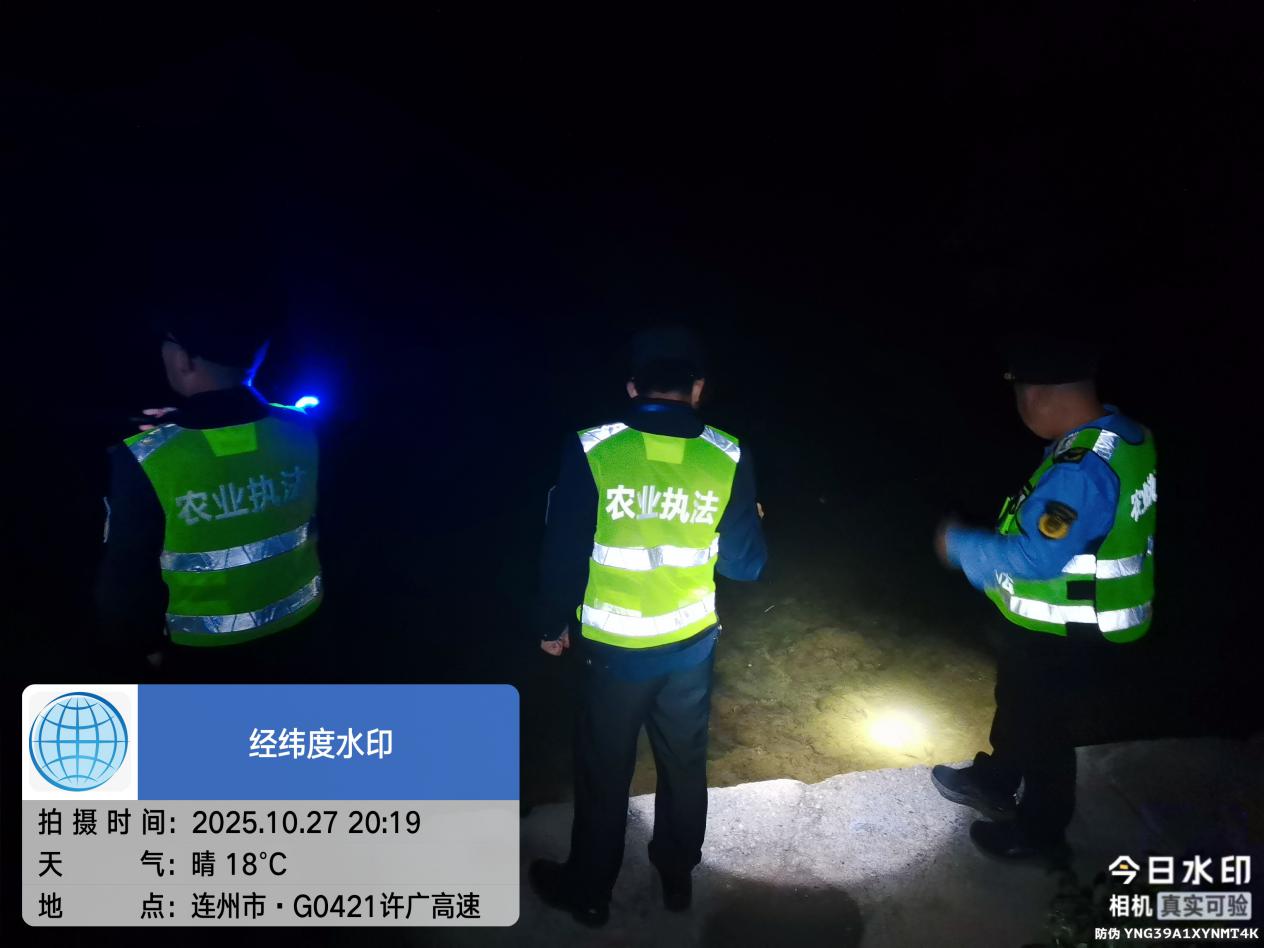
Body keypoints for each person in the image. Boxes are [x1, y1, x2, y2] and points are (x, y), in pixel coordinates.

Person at [529, 328, 768, 926]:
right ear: (697, 389)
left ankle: (590, 893)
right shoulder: (730, 454)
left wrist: (552, 623)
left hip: (615, 652)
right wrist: (750, 522)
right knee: (685, 761)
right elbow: (746, 566)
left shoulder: (593, 448)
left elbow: (563, 551)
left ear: (634, 388)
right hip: (691, 646)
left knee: (604, 772)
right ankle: (677, 874)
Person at [931, 340, 1157, 860]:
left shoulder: (1081, 470)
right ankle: (996, 779)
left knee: (1043, 730)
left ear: (1035, 397)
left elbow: (1037, 557)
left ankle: (1039, 835)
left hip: (1071, 628)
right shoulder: (1127, 436)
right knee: (1019, 703)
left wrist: (958, 545)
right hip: (1071, 624)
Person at [96, 265, 322, 678]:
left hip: (203, 656)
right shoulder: (301, 428)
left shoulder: (145, 458)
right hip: (300, 635)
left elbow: (126, 579)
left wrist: (142, 646)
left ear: (184, 358)